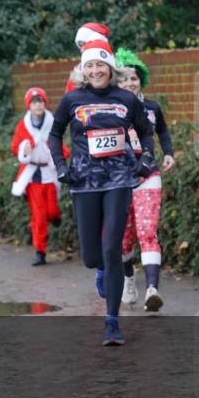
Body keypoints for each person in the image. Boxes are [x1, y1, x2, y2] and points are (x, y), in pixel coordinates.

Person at [48, 41, 155, 346]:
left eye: (100, 65)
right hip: (84, 182)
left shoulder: (126, 99)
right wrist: (60, 166)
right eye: (89, 65)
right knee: (92, 256)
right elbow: (55, 135)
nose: (95, 70)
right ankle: (101, 272)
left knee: (112, 248)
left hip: (119, 180)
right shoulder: (72, 100)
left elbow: (146, 132)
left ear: (110, 68)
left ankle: (112, 322)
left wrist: (146, 158)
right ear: (83, 69)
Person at [115, 48, 176, 312]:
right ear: (116, 82)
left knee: (147, 232)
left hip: (148, 176)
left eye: (134, 78)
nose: (130, 83)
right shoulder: (111, 109)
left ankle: (152, 289)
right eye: (124, 78)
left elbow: (161, 130)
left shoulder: (151, 107)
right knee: (124, 239)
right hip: (118, 180)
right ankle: (129, 279)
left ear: (142, 80)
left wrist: (169, 153)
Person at [10, 87, 68, 266]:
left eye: (41, 101)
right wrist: (24, 149)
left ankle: (55, 217)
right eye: (34, 102)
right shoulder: (23, 125)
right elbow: (15, 147)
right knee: (39, 215)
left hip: (49, 172)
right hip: (33, 175)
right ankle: (40, 251)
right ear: (29, 105)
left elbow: (60, 145)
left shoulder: (53, 122)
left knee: (51, 210)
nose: (38, 105)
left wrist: (61, 159)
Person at [65, 23, 111, 92]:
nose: (82, 48)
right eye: (80, 45)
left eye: (86, 43)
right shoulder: (76, 76)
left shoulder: (118, 71)